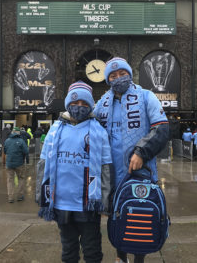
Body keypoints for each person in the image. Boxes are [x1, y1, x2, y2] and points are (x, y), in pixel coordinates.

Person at [93, 57, 169, 263]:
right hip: (110, 175)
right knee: (116, 218)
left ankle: (138, 260)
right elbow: (87, 126)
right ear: (108, 79)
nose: (118, 78)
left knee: (140, 215)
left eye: (122, 73)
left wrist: (141, 152)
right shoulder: (102, 103)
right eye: (113, 75)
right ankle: (120, 257)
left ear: (129, 74)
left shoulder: (146, 96)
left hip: (139, 173)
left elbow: (162, 127)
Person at [38, 81, 113, 263]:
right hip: (62, 203)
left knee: (92, 251)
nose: (79, 107)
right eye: (75, 102)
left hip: (87, 203)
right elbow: (43, 165)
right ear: (67, 104)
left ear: (90, 106)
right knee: (68, 251)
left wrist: (105, 201)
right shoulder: (54, 131)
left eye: (84, 104)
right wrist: (41, 197)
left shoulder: (99, 132)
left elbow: (105, 170)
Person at [4, 126, 28, 203]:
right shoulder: (21, 141)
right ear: (18, 133)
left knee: (10, 180)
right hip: (19, 164)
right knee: (21, 178)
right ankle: (20, 196)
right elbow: (26, 151)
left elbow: (5, 151)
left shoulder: (7, 140)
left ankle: (10, 197)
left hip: (9, 163)